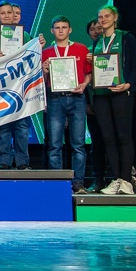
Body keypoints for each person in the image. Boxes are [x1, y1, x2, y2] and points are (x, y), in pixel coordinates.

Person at [90, 5, 136, 195]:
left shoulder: (126, 38)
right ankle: (117, 178)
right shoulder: (97, 42)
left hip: (121, 92)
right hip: (101, 95)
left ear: (115, 17)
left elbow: (134, 65)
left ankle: (127, 179)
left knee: (123, 136)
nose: (103, 20)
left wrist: (128, 84)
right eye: (100, 17)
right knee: (108, 138)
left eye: (107, 16)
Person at [41, 16, 92, 193]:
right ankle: (57, 183)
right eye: (57, 27)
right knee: (55, 144)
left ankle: (78, 183)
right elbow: (42, 81)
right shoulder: (46, 52)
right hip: (55, 99)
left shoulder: (81, 49)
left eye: (64, 27)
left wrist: (84, 85)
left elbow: (89, 73)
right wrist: (45, 71)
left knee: (78, 144)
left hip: (77, 99)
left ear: (70, 30)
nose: (61, 30)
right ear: (52, 31)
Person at [0, 1, 36, 169]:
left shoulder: (25, 36)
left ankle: (22, 162)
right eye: (2, 13)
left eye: (9, 13)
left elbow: (33, 58)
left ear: (15, 15)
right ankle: (4, 161)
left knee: (22, 127)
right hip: (0, 88)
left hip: (21, 87)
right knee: (3, 126)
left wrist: (38, 46)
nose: (6, 16)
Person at [83, 18, 107, 190]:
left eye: (99, 28)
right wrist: (86, 103)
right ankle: (98, 180)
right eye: (92, 29)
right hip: (93, 105)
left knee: (118, 142)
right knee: (96, 144)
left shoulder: (112, 51)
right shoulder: (86, 54)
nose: (96, 31)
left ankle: (127, 178)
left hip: (114, 103)